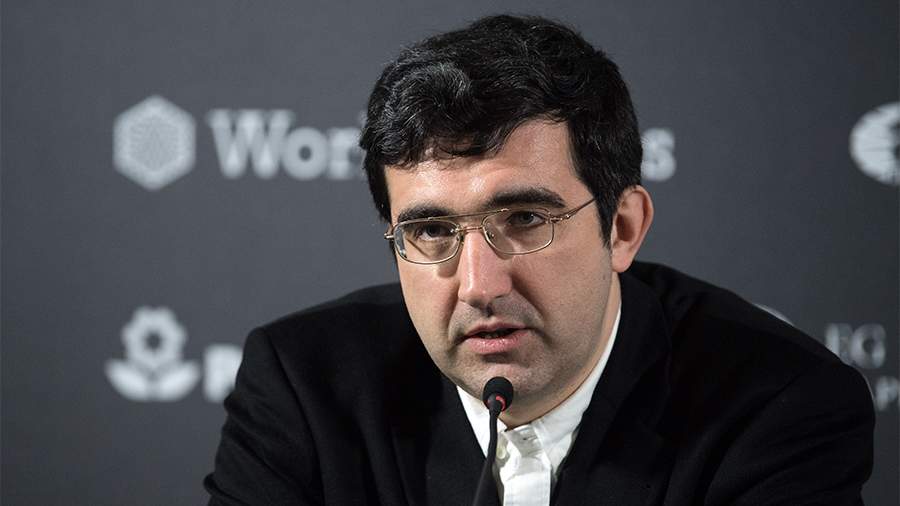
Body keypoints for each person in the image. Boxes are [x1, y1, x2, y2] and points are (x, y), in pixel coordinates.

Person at [205, 14, 874, 505]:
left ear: (622, 228)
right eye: (432, 230)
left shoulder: (779, 407)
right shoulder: (302, 388)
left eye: (525, 220)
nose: (478, 285)